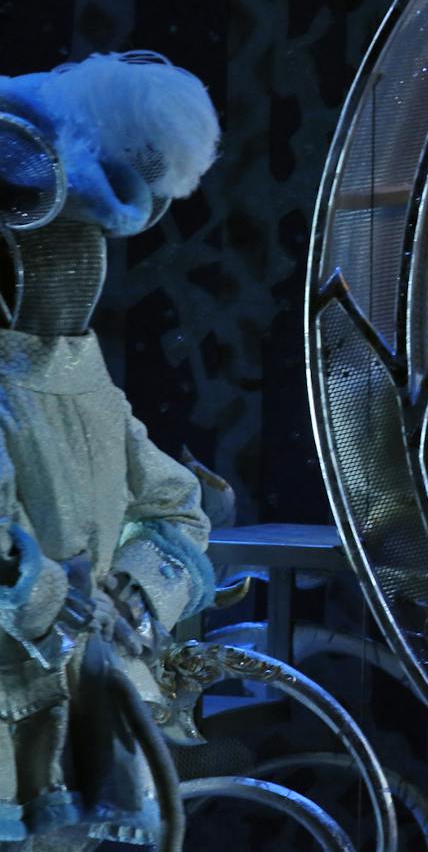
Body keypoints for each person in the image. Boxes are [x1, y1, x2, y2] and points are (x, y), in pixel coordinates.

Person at [0, 51, 218, 849]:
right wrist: (51, 595)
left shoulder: (91, 387)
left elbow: (174, 508)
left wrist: (132, 596)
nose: (70, 264)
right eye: (51, 245)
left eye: (79, 245)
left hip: (88, 708)